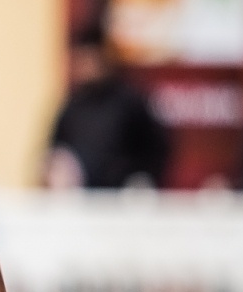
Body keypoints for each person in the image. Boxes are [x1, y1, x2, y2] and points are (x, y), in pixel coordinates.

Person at [45, 30, 169, 189]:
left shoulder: (130, 101)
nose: (85, 66)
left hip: (121, 199)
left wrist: (142, 177)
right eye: (80, 59)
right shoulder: (73, 105)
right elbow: (55, 150)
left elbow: (156, 149)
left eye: (89, 58)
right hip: (80, 200)